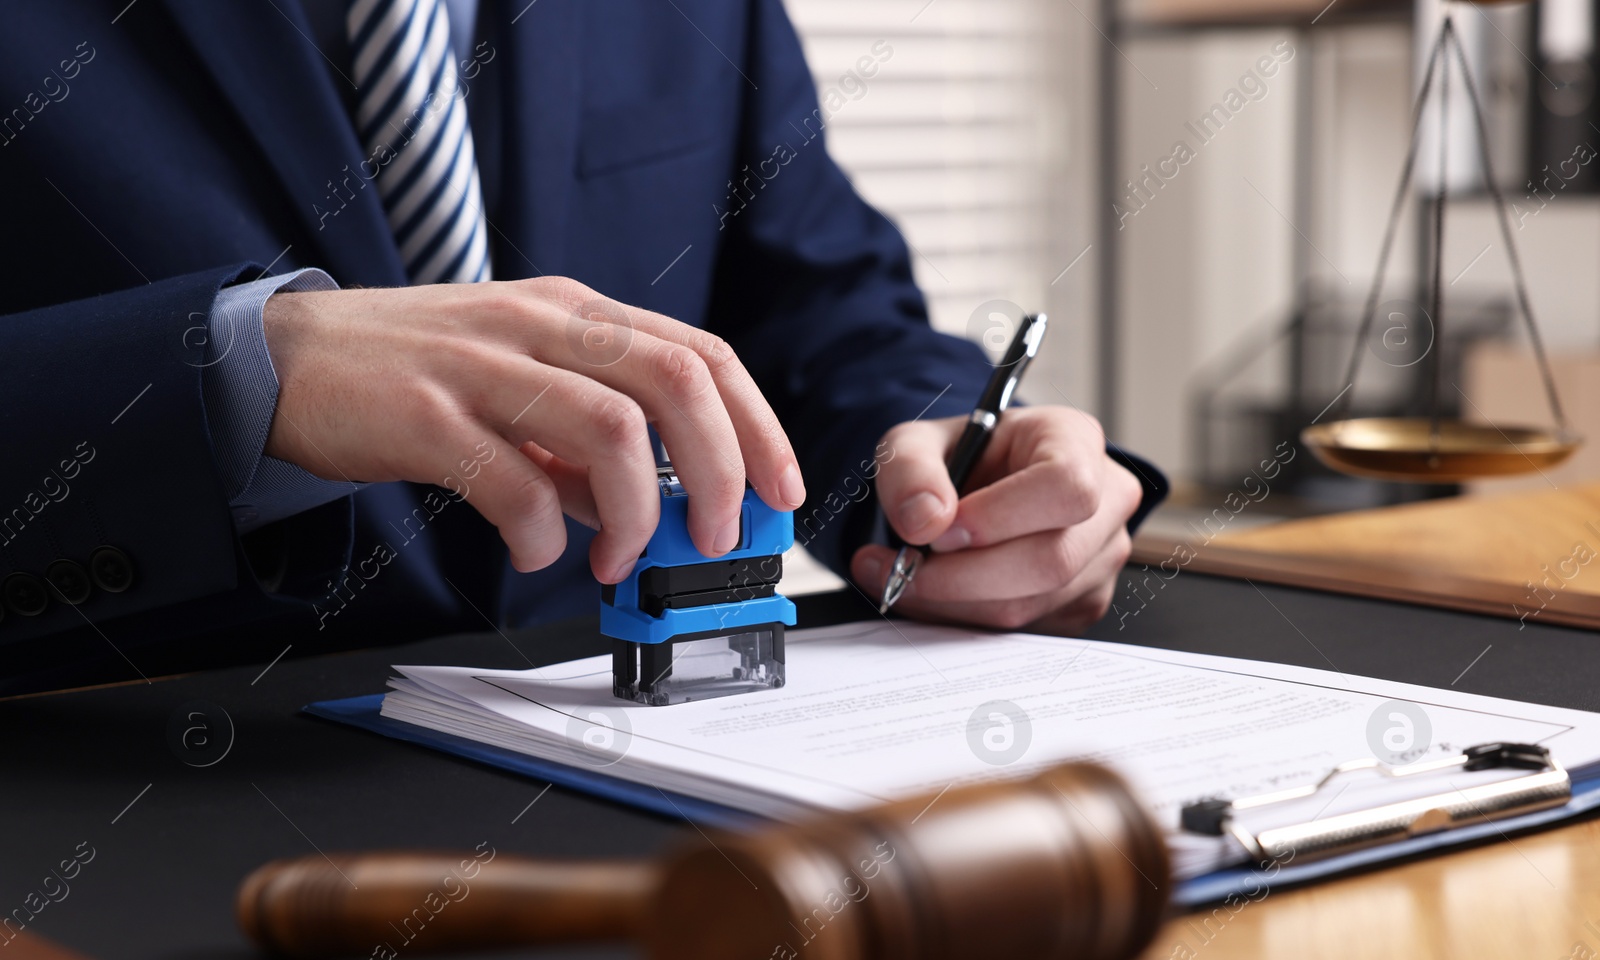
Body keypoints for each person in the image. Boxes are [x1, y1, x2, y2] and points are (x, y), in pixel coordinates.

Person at [0, 0, 1164, 695]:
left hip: (622, 775)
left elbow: (815, 302)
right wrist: (235, 370)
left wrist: (950, 457)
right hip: (121, 782)